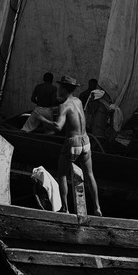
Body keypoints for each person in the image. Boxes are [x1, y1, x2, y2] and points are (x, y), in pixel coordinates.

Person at [38, 75, 102, 216]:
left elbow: (58, 126)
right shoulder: (78, 101)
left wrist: (42, 119)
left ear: (63, 88)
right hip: (85, 141)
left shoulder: (64, 105)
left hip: (72, 143)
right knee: (90, 174)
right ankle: (97, 208)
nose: (58, 89)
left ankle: (65, 209)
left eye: (59, 87)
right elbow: (72, 113)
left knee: (61, 175)